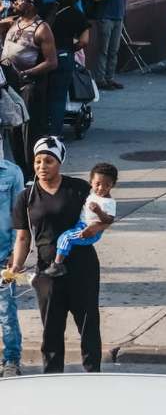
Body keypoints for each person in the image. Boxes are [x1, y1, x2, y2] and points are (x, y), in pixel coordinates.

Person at [7, 137, 103, 373]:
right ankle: (52, 378)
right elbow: (23, 237)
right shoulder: (26, 197)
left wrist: (97, 227)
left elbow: (101, 215)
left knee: (88, 324)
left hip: (83, 268)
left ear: (59, 162)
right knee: (51, 329)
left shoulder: (78, 188)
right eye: (38, 161)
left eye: (48, 161)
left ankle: (94, 375)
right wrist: (16, 266)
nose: (42, 166)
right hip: (47, 271)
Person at [1, 0, 58, 173]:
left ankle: (30, 174)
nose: (16, 1)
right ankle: (19, 171)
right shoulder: (14, 22)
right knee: (13, 130)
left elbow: (52, 62)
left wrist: (26, 73)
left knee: (28, 133)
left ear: (31, 3)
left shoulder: (42, 28)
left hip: (29, 87)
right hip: (10, 87)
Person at [44, 161, 118, 279]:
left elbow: (109, 220)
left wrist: (98, 211)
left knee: (66, 237)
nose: (101, 188)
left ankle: (58, 265)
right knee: (66, 237)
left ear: (113, 185)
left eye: (107, 185)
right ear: (91, 182)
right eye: (97, 184)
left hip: (91, 231)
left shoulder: (109, 202)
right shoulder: (91, 195)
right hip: (81, 224)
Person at [45, 0, 89, 136]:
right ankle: (54, 134)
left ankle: (40, 128)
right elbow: (84, 41)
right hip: (63, 57)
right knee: (59, 97)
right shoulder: (76, 14)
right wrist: (71, 49)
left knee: (43, 94)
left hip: (42, 58)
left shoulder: (48, 9)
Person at [87, 0, 128, 91]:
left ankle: (110, 78)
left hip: (118, 16)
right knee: (103, 49)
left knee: (114, 50)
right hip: (105, 17)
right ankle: (100, 79)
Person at [0, 145, 23, 377]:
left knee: (7, 312)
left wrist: (16, 255)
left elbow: (19, 218)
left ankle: (11, 360)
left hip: (4, 257)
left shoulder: (11, 172)